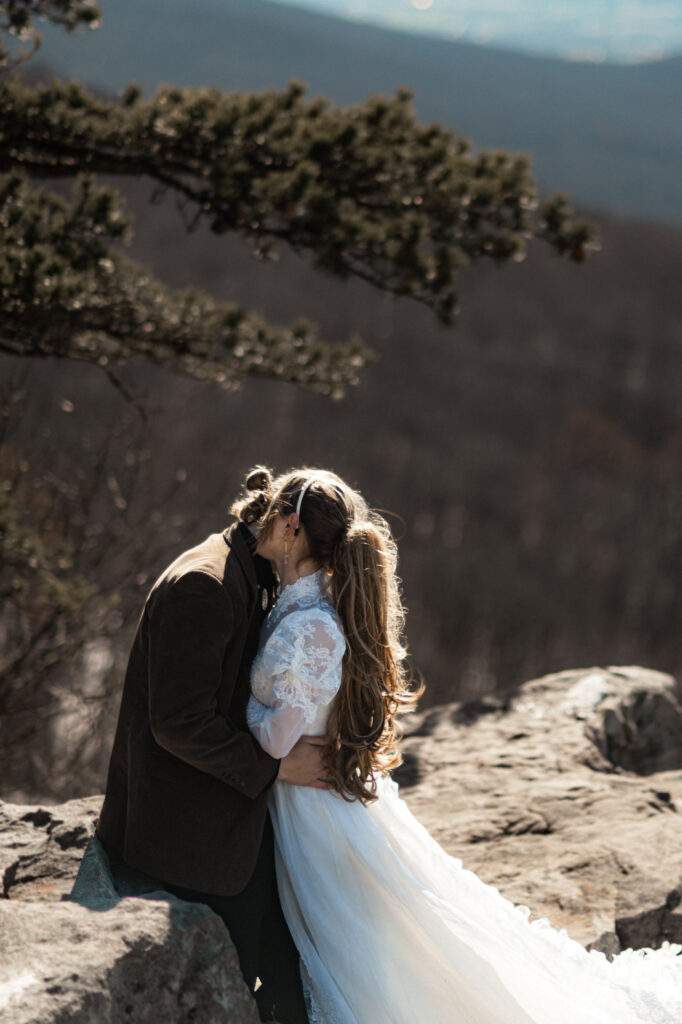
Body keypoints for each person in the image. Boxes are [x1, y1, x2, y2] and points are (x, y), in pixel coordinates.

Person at [246, 466, 682, 1024]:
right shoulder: (311, 610)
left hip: (308, 807)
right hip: (315, 798)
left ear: (291, 527)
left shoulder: (308, 625)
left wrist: (225, 712)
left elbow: (279, 737)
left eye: (270, 515)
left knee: (363, 952)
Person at [96, 468, 328, 1024]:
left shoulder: (247, 564)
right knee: (243, 982)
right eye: (319, 558)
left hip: (220, 808)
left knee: (295, 954)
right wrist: (276, 771)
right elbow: (178, 724)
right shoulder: (205, 584)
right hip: (185, 834)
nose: (318, 575)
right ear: (290, 527)